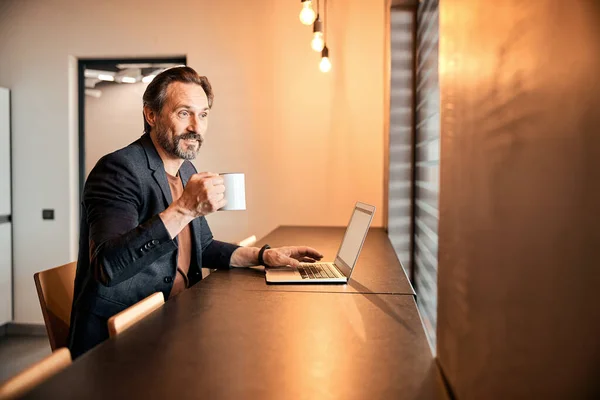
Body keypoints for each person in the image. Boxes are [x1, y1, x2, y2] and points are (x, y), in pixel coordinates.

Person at [68, 66, 323, 358]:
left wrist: (263, 256)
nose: (195, 127)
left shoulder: (186, 169)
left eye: (202, 115)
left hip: (177, 324)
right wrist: (185, 208)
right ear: (151, 115)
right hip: (119, 344)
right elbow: (108, 267)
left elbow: (202, 247)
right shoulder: (118, 170)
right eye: (183, 113)